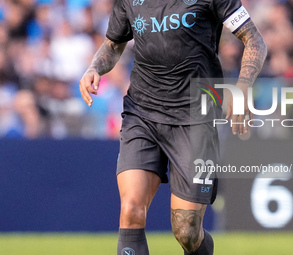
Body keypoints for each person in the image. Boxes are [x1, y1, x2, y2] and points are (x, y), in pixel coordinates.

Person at [79, 0, 267, 254]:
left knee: (187, 231)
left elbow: (254, 40)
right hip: (142, 113)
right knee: (131, 210)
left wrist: (243, 88)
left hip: (195, 119)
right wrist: (94, 68)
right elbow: (113, 44)